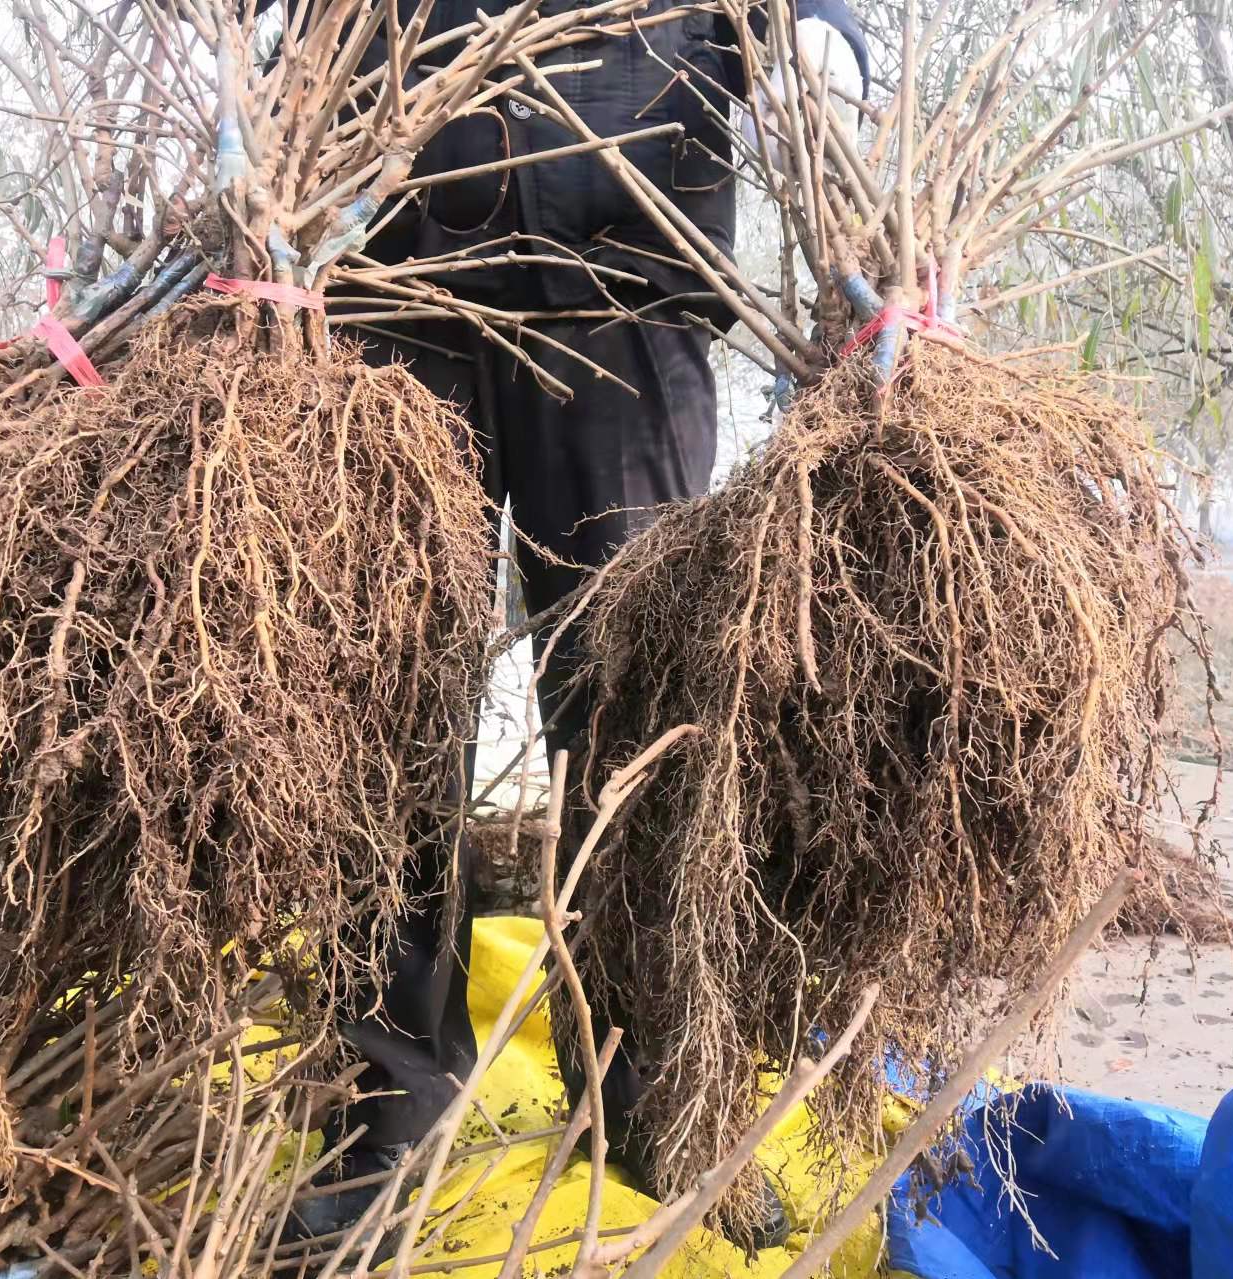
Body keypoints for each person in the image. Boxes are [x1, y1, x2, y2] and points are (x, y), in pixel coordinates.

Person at [287, 0, 870, 1252]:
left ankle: (649, 1097)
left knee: (635, 714)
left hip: (625, 283)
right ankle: (379, 1117)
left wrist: (823, 37)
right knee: (383, 709)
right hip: (399, 286)